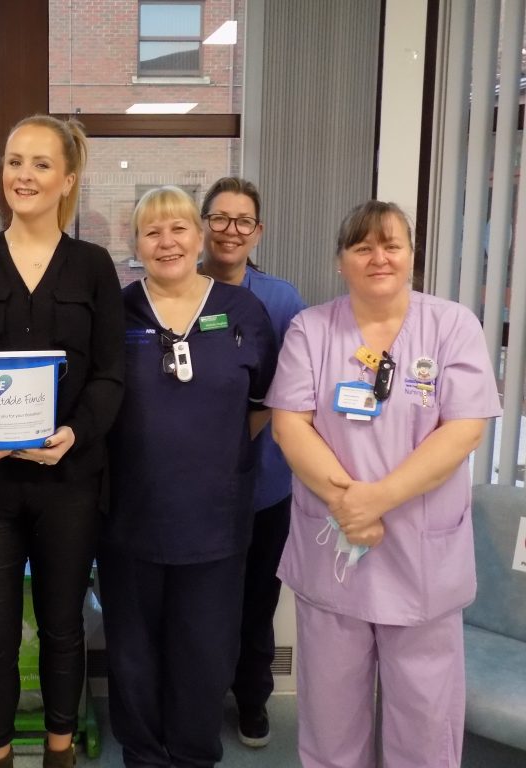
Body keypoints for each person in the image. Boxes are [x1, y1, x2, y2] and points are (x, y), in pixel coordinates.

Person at [266, 201, 501, 767]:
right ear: (341, 260)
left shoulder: (451, 325)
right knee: (330, 715)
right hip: (336, 547)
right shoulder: (311, 329)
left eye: (391, 245)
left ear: (411, 256)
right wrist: (351, 505)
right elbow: (288, 425)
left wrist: (376, 501)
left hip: (421, 553)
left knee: (424, 720)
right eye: (362, 247)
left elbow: (464, 430)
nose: (379, 258)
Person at [0, 114, 124, 768]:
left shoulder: (94, 267)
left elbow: (110, 376)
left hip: (70, 480)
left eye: (41, 164)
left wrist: (74, 433)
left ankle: (61, 753)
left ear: (68, 178)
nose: (25, 176)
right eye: (15, 161)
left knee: (65, 629)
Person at [100, 185, 277, 768]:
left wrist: (210, 456)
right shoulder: (117, 311)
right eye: (152, 231)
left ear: (199, 238)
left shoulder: (245, 311)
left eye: (178, 229)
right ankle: (144, 755)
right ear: (136, 245)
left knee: (204, 651)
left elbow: (261, 402)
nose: (166, 241)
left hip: (215, 520)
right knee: (133, 650)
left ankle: (194, 754)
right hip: (131, 515)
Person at [197, 177, 305, 748]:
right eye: (220, 218)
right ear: (203, 224)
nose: (230, 231)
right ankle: (197, 699)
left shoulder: (282, 300)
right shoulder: (172, 289)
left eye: (243, 221)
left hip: (262, 486)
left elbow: (290, 392)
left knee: (257, 599)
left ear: (257, 231)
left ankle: (253, 700)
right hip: (189, 488)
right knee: (199, 600)